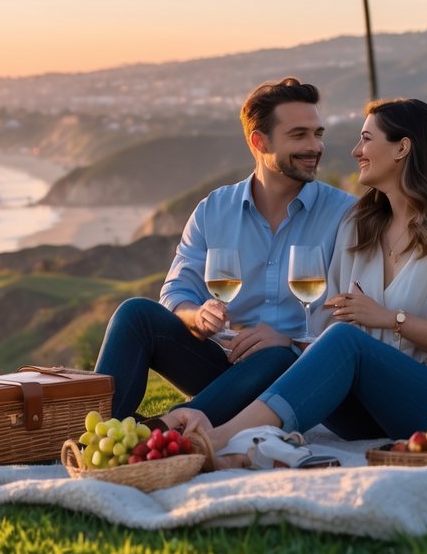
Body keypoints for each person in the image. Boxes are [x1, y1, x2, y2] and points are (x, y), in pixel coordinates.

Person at [170, 97, 427, 457]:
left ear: (402, 148)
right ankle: (203, 434)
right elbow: (325, 330)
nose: (355, 150)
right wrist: (288, 343)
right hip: (370, 411)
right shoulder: (359, 227)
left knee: (345, 339)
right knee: (320, 344)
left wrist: (389, 319)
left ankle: (220, 440)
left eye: (366, 139)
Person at [93, 78, 357, 425]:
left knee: (276, 356)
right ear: (258, 141)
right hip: (225, 367)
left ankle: (166, 429)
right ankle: (96, 432)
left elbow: (354, 322)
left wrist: (290, 342)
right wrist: (197, 315)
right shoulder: (213, 209)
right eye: (299, 135)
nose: (315, 146)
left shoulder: (345, 215)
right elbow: (176, 291)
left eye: (317, 133)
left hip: (300, 374)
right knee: (135, 314)